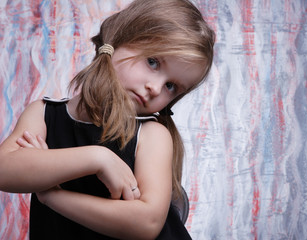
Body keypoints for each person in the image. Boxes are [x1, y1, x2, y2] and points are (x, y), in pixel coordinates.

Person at [0, 0, 215, 239]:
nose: (155, 88)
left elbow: (147, 223)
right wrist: (96, 158)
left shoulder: (152, 134)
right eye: (153, 62)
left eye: (171, 86)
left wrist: (52, 197)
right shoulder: (42, 114)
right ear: (119, 39)